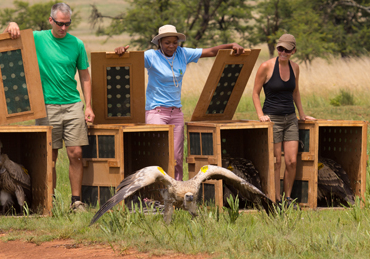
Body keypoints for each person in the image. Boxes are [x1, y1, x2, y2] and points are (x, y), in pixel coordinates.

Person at [115, 24, 244, 181]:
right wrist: (121, 51)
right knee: (159, 154)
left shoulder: (183, 54)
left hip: (176, 113)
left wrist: (231, 45)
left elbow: (210, 51)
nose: (171, 46)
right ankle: (155, 194)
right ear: (160, 43)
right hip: (156, 112)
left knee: (176, 156)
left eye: (174, 42)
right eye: (167, 42)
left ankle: (177, 191)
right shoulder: (151, 56)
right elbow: (131, 59)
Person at [4, 3, 95, 212]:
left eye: (67, 24)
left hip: (73, 104)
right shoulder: (37, 38)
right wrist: (12, 24)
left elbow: (85, 76)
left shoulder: (77, 44)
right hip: (46, 106)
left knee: (76, 153)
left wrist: (88, 106)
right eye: (60, 24)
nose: (63, 28)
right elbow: (8, 38)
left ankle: (76, 202)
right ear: (51, 20)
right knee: (49, 157)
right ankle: (48, 201)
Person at [252, 34, 315, 205]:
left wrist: (302, 114)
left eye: (287, 49)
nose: (283, 52)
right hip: (272, 119)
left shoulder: (295, 68)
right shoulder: (266, 67)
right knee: (276, 162)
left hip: (291, 118)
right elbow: (255, 93)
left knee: (292, 161)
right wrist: (260, 115)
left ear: (293, 50)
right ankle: (275, 199)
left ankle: (287, 198)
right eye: (280, 48)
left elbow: (295, 92)